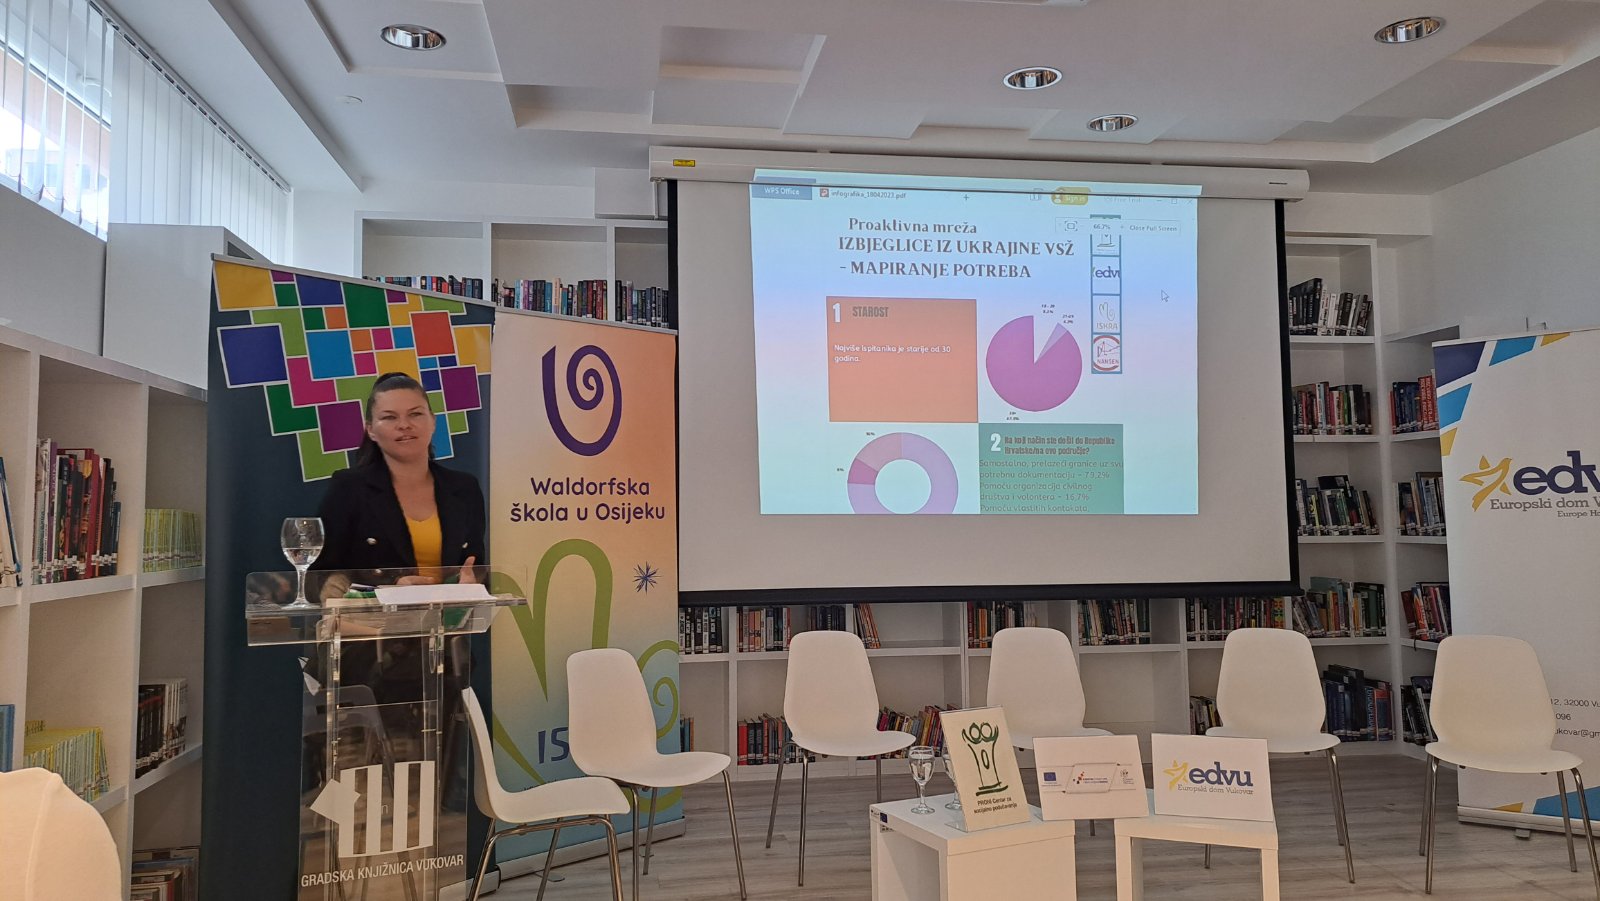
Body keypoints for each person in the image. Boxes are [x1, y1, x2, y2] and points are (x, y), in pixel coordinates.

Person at [310, 371, 487, 703]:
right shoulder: (349, 489)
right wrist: (389, 590)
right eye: (389, 417)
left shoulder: (464, 489)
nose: (404, 425)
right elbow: (318, 578)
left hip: (444, 656)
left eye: (415, 414)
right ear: (371, 430)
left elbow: (476, 564)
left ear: (433, 422)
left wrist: (469, 584)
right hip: (367, 660)